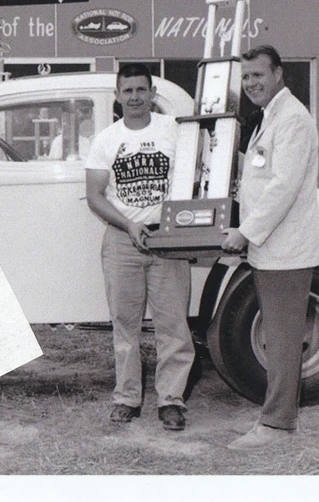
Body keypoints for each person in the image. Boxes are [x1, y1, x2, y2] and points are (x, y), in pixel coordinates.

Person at [221, 45, 319, 449]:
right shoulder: (270, 117)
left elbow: (283, 187)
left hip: (285, 249)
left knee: (281, 338)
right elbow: (262, 176)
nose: (251, 84)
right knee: (278, 336)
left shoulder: (293, 119)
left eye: (258, 75)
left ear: (279, 73)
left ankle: (277, 425)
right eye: (246, 78)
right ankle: (276, 418)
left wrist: (244, 232)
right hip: (272, 249)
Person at [84, 64, 194, 432]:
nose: (134, 97)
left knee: (173, 324)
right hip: (122, 239)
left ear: (151, 94)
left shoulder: (174, 131)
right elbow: (94, 196)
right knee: (125, 324)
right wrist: (128, 224)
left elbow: (196, 176)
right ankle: (127, 397)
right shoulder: (106, 140)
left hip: (167, 239)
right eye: (127, 90)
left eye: (141, 90)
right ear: (118, 96)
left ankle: (171, 400)